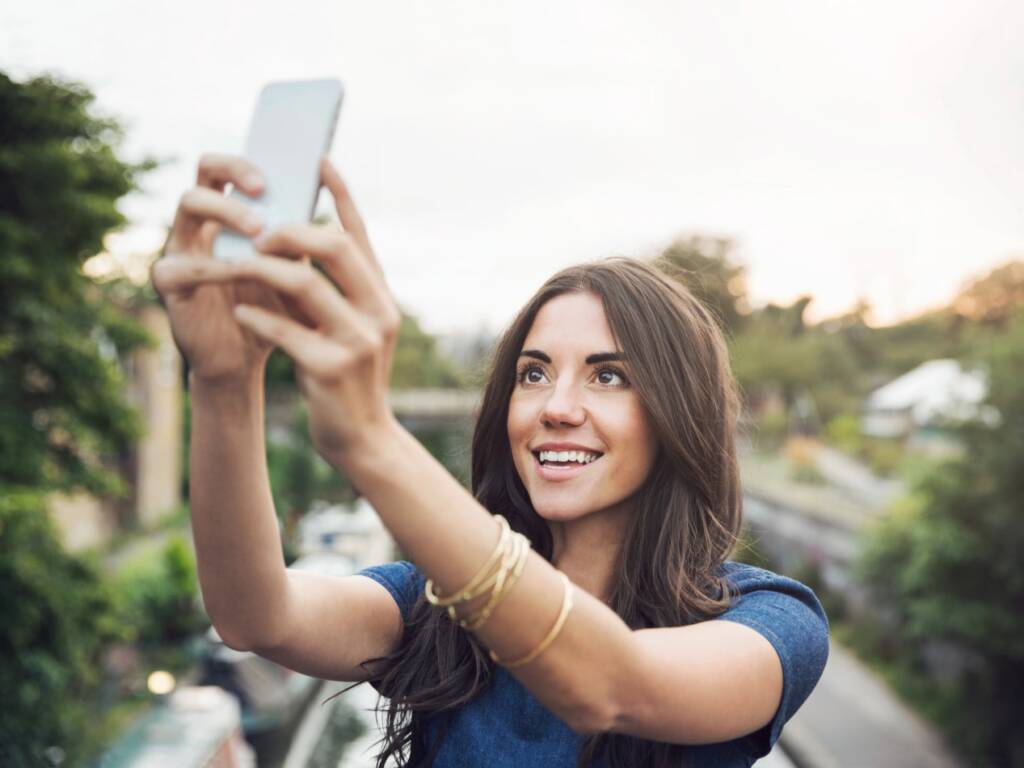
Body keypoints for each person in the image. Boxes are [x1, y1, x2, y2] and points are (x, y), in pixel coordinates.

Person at [151, 153, 829, 768]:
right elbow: (255, 616)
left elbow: (610, 685)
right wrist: (221, 382)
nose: (555, 406)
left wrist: (370, 437)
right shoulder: (436, 600)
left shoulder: (770, 620)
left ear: (679, 415)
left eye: (608, 376)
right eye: (533, 375)